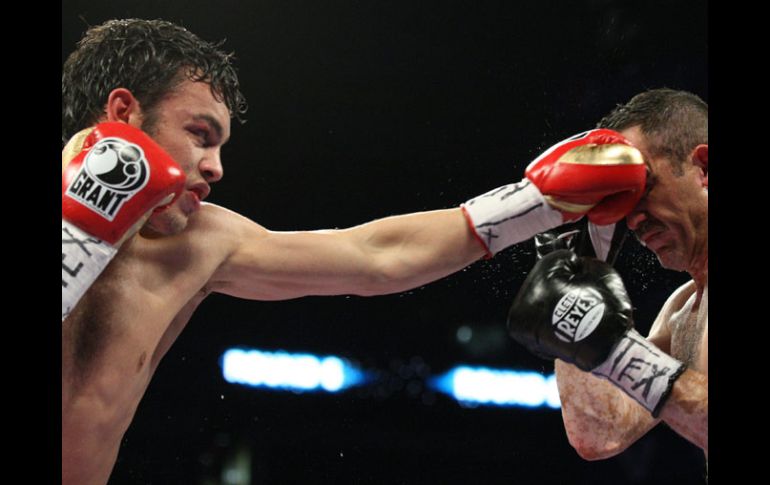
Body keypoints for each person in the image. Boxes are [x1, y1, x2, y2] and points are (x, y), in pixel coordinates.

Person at [61, 19, 647, 485]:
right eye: (200, 134)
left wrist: (534, 203)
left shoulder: (196, 243)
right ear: (123, 115)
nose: (215, 168)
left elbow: (373, 258)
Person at [507, 89, 708, 464]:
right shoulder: (683, 310)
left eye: (643, 188)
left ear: (704, 169)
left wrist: (617, 351)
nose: (632, 220)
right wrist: (576, 284)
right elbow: (600, 434)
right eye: (624, 200)